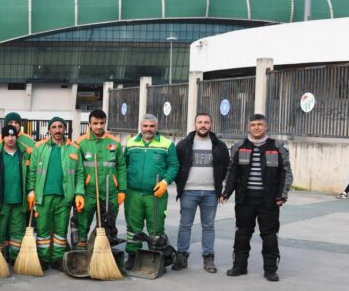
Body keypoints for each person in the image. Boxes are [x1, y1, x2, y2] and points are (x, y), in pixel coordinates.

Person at [222, 114, 293, 281]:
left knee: (269, 235)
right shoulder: (239, 146)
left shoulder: (277, 147)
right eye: (253, 124)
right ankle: (239, 266)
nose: (256, 127)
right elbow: (232, 171)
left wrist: (282, 195)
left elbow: (286, 172)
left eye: (259, 124)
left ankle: (270, 270)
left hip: (268, 201)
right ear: (248, 127)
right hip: (244, 200)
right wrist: (227, 192)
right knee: (242, 233)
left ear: (266, 127)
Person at [173, 113, 230, 273]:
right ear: (195, 124)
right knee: (185, 225)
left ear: (211, 124)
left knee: (208, 226)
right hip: (188, 192)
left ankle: (208, 257)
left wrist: (221, 188)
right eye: (200, 122)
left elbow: (226, 166)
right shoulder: (183, 145)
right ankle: (182, 256)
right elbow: (176, 167)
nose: (203, 125)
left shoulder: (219, 145)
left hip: (211, 192)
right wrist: (181, 186)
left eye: (206, 122)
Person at [124, 114, 179, 270]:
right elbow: (124, 164)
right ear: (140, 127)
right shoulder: (130, 143)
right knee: (133, 227)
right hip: (133, 193)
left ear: (157, 127)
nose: (148, 129)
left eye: (152, 126)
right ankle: (133, 256)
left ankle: (156, 256)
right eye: (145, 126)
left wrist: (165, 181)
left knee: (156, 227)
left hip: (156, 193)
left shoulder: (167, 144)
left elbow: (174, 165)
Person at [29, 117, 85, 269]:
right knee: (43, 231)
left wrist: (79, 193)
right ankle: (43, 258)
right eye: (54, 127)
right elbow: (32, 172)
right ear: (49, 130)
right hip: (43, 197)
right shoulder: (39, 147)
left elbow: (80, 173)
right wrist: (31, 191)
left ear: (65, 129)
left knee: (61, 231)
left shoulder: (74, 148)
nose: (57, 130)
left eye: (60, 126)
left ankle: (58, 259)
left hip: (64, 198)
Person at [73, 109, 126, 250]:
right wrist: (79, 192)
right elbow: (77, 170)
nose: (98, 127)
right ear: (89, 124)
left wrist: (122, 190)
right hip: (89, 192)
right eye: (95, 123)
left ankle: (104, 250)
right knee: (83, 222)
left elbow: (121, 167)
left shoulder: (114, 142)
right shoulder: (80, 143)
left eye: (101, 123)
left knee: (108, 223)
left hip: (110, 192)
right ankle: (81, 248)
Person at [0, 125, 29, 262]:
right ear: (3, 138)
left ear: (17, 137)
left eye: (13, 135)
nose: (10, 138)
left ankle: (15, 258)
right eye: (7, 135)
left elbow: (30, 175)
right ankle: (0, 259)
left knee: (17, 234)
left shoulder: (23, 154)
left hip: (19, 201)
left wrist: (30, 193)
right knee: (0, 232)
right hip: (2, 202)